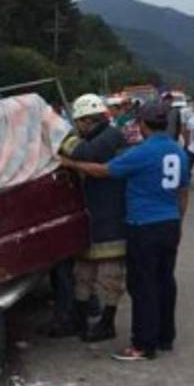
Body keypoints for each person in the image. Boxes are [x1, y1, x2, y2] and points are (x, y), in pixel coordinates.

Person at [59, 101, 189, 362]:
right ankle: (165, 336)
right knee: (165, 281)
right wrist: (179, 222)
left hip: (144, 226)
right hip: (170, 224)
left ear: (143, 125)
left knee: (142, 285)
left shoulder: (142, 153)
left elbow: (102, 170)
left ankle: (142, 344)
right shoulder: (178, 152)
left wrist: (69, 163)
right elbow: (183, 193)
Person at [60, 94, 127, 342]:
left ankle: (107, 323)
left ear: (87, 120)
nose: (77, 127)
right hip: (94, 217)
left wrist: (63, 142)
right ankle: (79, 322)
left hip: (110, 216)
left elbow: (83, 153)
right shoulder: (100, 135)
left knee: (109, 275)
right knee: (83, 273)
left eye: (79, 123)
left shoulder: (110, 136)